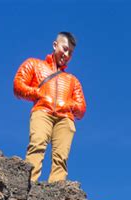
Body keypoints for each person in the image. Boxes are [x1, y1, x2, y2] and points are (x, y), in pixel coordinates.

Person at [13, 31, 86, 183]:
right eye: (65, 49)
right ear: (55, 45)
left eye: (70, 53)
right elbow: (18, 85)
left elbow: (81, 108)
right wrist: (37, 93)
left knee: (61, 157)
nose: (66, 54)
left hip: (65, 118)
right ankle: (29, 185)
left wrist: (67, 105)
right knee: (37, 145)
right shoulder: (34, 64)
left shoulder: (72, 80)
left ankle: (56, 191)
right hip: (42, 111)